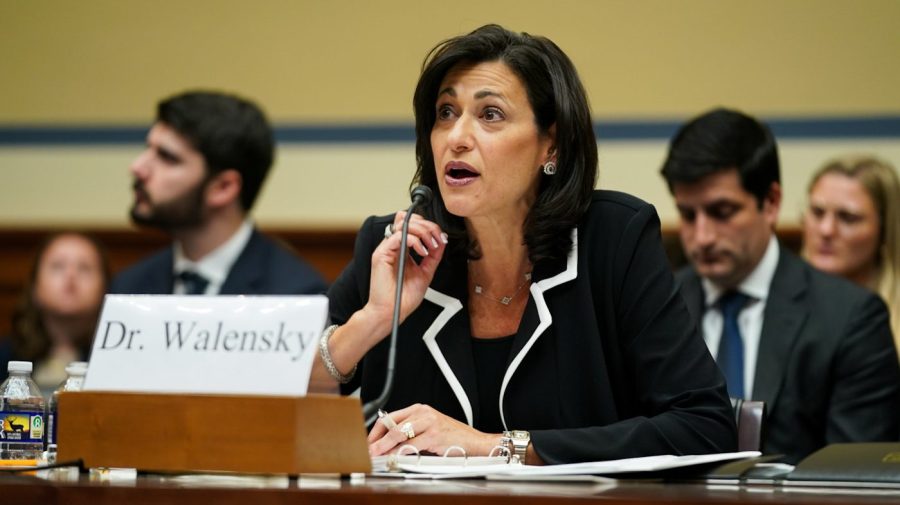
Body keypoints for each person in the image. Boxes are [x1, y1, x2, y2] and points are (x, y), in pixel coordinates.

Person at [309, 25, 736, 465]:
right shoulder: (396, 248)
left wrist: (495, 447)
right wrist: (374, 318)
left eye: (490, 114)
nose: (456, 137)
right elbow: (275, 404)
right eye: (445, 112)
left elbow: (703, 426)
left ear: (551, 145)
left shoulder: (613, 240)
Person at [660, 108, 900, 464]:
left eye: (722, 212)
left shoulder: (850, 318)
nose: (702, 237)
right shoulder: (658, 306)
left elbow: (855, 480)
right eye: (688, 215)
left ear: (771, 203)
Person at [108, 90, 327, 296]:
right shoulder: (128, 287)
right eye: (148, 149)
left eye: (167, 157)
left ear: (223, 188)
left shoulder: (295, 294)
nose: (137, 167)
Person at [802, 156, 900, 356]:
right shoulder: (773, 298)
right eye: (817, 212)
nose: (826, 230)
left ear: (884, 229)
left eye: (848, 218)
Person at [0, 233, 109, 392]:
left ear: (104, 287)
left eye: (84, 268)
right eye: (58, 266)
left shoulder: (115, 361)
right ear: (34, 285)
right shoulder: (5, 357)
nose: (71, 276)